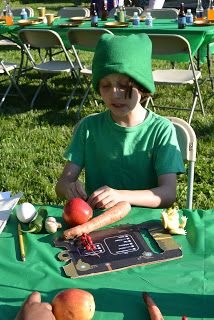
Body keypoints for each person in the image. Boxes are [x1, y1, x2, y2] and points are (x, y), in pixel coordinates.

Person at [56, 33, 185, 210]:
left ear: (142, 85)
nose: (115, 93)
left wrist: (120, 196)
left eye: (124, 85)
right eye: (105, 85)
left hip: (146, 224)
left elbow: (168, 193)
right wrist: (68, 188)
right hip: (98, 221)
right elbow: (62, 183)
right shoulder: (89, 128)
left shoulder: (161, 130)